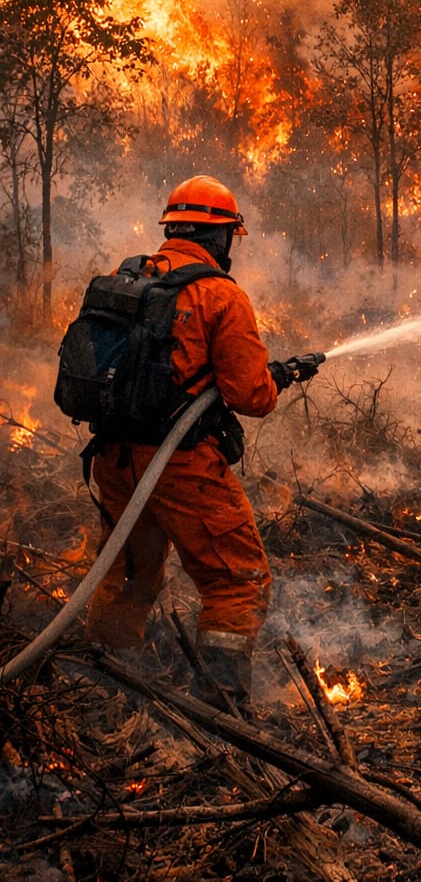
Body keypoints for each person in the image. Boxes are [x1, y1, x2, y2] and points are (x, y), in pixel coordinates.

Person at [82, 174, 320, 707]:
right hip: (177, 464)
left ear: (173, 228)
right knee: (238, 578)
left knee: (130, 572)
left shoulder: (131, 278)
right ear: (220, 237)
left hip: (113, 458)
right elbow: (251, 396)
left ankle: (106, 686)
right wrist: (273, 377)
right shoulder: (219, 295)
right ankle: (222, 703)